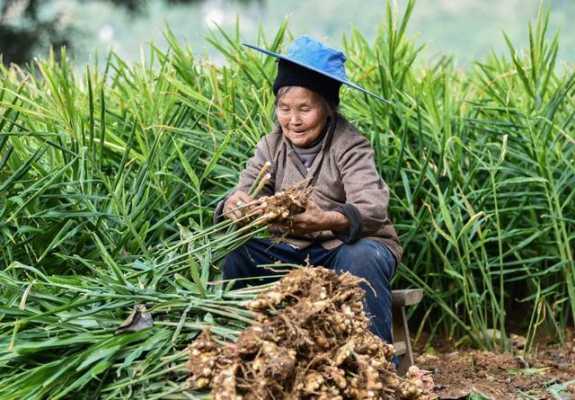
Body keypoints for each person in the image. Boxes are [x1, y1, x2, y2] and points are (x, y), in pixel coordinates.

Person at [214, 36, 402, 345]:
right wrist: (233, 206)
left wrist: (327, 219)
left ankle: (377, 363)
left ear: (328, 108)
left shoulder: (350, 144)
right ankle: (239, 350)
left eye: (305, 109)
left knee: (361, 258)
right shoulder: (270, 146)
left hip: (344, 250)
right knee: (238, 253)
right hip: (293, 252)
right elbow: (244, 192)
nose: (293, 120)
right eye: (284, 108)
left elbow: (373, 208)